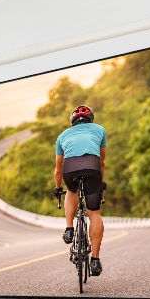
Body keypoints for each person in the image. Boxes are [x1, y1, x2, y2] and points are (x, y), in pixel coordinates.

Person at [52, 105, 106, 276]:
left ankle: (69, 229)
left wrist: (58, 187)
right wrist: (100, 183)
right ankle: (95, 260)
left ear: (73, 122)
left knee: (71, 191)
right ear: (91, 119)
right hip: (93, 168)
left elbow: (58, 170)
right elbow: (102, 162)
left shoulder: (62, 136)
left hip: (70, 169)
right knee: (94, 213)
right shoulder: (100, 130)